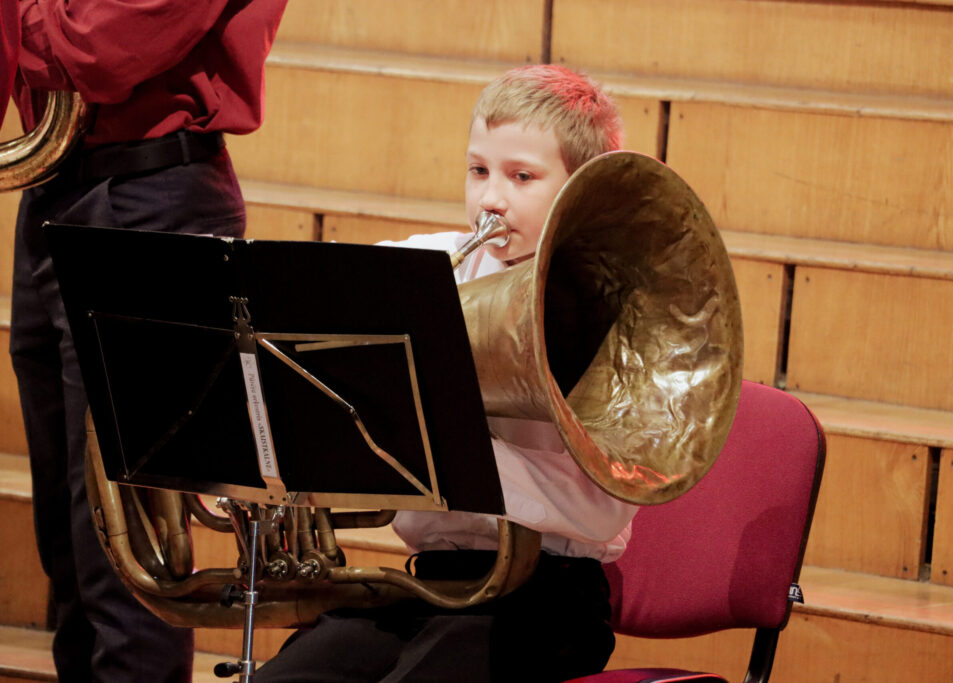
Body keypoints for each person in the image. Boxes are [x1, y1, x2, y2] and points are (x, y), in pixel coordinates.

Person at [253, 64, 636, 683]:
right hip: (429, 585)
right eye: (478, 170)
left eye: (522, 177)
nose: (491, 198)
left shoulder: (615, 311)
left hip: (550, 600)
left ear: (583, 188)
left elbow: (602, 511)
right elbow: (305, 308)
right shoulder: (429, 265)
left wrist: (448, 451)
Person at [7, 1, 286, 681]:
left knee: (125, 566)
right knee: (70, 548)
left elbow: (98, 47)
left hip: (151, 196)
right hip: (55, 187)